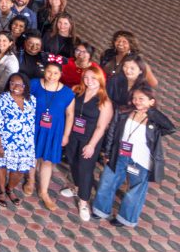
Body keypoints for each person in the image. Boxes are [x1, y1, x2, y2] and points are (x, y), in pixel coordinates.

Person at [93, 85, 174, 228]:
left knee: (135, 191)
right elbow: (112, 132)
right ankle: (100, 210)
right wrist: (107, 153)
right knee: (107, 181)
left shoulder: (154, 120)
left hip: (140, 160)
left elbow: (170, 127)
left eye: (141, 99)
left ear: (151, 101)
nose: (137, 101)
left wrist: (151, 112)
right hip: (119, 155)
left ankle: (125, 218)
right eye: (135, 98)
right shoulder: (123, 112)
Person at [61, 68, 114, 221]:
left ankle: (83, 202)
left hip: (90, 139)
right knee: (73, 162)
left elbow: (101, 127)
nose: (89, 80)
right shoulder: (77, 92)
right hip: (73, 135)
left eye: (93, 78)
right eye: (86, 77)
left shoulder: (104, 101)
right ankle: (77, 188)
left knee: (85, 169)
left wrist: (91, 145)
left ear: (100, 80)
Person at [31, 57, 76, 211]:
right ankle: (30, 181)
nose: (51, 76)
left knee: (47, 161)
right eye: (49, 72)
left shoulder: (67, 93)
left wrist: (66, 135)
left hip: (54, 131)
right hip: (34, 126)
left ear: (60, 74)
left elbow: (70, 114)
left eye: (55, 73)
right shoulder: (35, 84)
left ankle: (44, 191)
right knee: (32, 155)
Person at [0, 73, 36, 207]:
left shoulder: (32, 100)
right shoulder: (2, 99)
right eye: (13, 83)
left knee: (19, 172)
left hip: (25, 145)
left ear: (25, 86)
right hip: (5, 142)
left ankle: (10, 188)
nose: (16, 87)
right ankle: (2, 190)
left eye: (20, 84)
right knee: (1, 166)